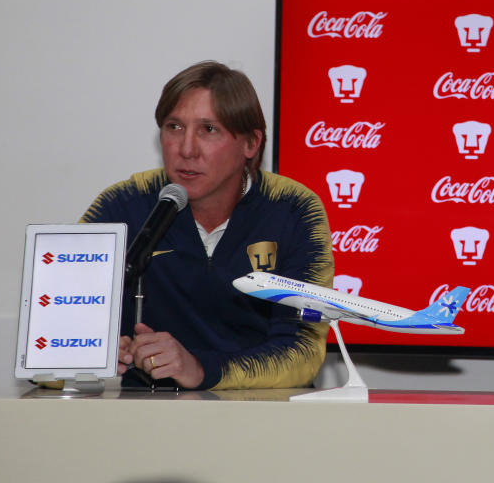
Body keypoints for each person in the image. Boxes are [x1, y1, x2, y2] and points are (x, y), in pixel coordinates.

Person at [81, 61, 334, 390]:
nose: (186, 149)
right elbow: (49, 342)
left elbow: (303, 355)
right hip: (146, 421)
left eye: (208, 130)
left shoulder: (295, 210)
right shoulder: (123, 205)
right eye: (174, 127)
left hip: (264, 421)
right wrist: (84, 355)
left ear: (251, 144)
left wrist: (202, 369)